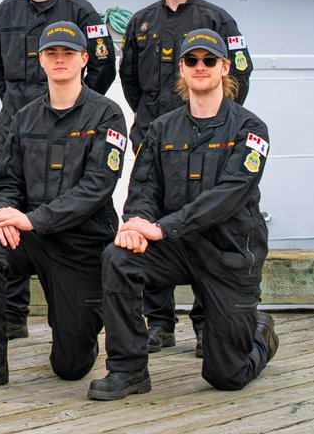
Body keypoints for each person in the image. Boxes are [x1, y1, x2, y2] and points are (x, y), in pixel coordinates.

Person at [89, 29, 278, 400]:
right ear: (182, 68)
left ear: (225, 67)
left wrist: (162, 227)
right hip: (176, 248)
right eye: (192, 60)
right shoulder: (161, 129)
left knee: (227, 375)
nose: (200, 66)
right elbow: (143, 189)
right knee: (119, 257)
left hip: (229, 254)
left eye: (209, 60)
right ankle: (128, 370)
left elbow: (228, 196)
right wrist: (137, 223)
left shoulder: (251, 129)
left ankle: (260, 331)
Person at [0, 22, 128, 394]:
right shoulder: (24, 118)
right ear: (41, 60)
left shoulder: (107, 116)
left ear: (85, 59)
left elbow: (96, 188)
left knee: (70, 368)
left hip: (80, 244)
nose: (60, 59)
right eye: (52, 53)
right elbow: (5, 181)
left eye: (69, 53)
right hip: (28, 237)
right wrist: (3, 212)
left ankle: (80, 334)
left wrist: (32, 219)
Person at [118, 0, 253, 357]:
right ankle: (159, 324)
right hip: (153, 139)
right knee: (149, 219)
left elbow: (240, 78)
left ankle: (205, 321)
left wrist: (212, 125)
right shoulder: (141, 23)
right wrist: (158, 123)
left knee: (207, 222)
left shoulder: (219, 20)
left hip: (208, 139)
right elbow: (130, 81)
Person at [0, 0, 116, 339]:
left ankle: (70, 296)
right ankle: (12, 313)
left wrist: (79, 108)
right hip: (18, 126)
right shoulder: (6, 12)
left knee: (66, 200)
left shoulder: (82, 12)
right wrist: (19, 107)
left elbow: (104, 66)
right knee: (9, 201)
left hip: (72, 125)